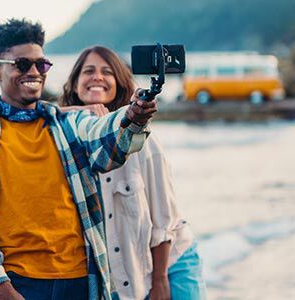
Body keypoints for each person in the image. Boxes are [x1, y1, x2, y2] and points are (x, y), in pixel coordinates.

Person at [0, 19, 158, 300]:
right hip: (14, 283)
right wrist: (1, 287)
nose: (34, 72)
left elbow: (107, 141)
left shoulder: (70, 122)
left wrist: (132, 117)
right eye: (22, 64)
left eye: (41, 64)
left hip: (82, 281)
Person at [59, 46, 206, 300]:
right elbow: (31, 114)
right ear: (74, 85)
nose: (97, 77)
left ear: (119, 84)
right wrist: (76, 112)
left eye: (107, 72)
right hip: (125, 269)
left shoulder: (142, 140)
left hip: (171, 260)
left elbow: (164, 218)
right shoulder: (63, 139)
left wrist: (160, 282)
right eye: (88, 71)